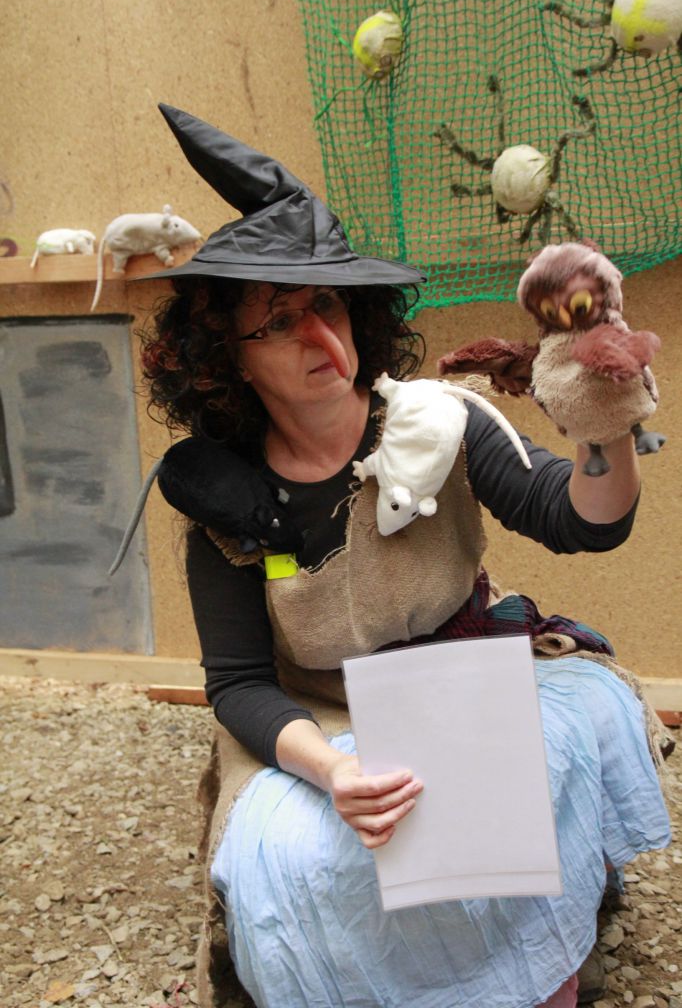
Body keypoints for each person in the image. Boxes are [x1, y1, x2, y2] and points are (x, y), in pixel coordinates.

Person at [139, 105, 671, 1008]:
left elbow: (583, 519)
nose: (321, 337)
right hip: (318, 719)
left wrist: (601, 421)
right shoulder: (223, 502)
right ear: (227, 358)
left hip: (465, 678)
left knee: (542, 763)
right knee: (304, 857)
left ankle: (540, 955)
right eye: (280, 321)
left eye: (328, 306)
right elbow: (239, 685)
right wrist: (336, 772)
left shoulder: (437, 422)